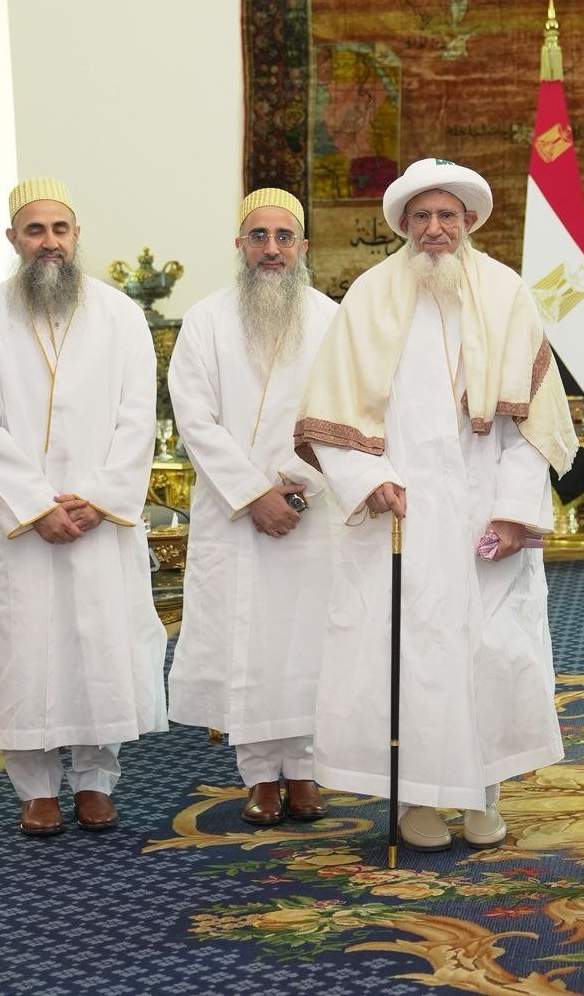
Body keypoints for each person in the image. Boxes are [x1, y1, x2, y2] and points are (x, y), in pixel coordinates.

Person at [293, 158, 577, 852]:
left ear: (469, 221)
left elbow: (534, 425)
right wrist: (368, 478)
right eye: (421, 216)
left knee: (492, 652)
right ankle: (417, 797)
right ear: (403, 225)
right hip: (404, 514)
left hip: (485, 513)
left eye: (447, 215)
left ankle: (486, 792)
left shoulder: (507, 292)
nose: (435, 229)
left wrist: (514, 511)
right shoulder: (369, 296)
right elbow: (331, 414)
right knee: (410, 656)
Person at [0, 178, 167, 836]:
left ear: (77, 236)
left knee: (99, 648)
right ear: (13, 238)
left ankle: (96, 780)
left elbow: (138, 417)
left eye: (60, 229)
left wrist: (98, 498)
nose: (50, 242)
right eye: (35, 230)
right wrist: (36, 506)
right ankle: (36, 789)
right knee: (26, 654)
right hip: (24, 526)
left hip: (100, 521)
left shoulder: (120, 315)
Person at [166, 188, 339, 826]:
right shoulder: (205, 320)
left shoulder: (333, 320)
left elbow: (346, 414)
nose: (272, 249)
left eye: (284, 237)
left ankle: (305, 768)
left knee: (306, 643)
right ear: (239, 245)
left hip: (310, 510)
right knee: (248, 646)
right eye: (259, 237)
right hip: (234, 512)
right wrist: (253, 494)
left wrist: (294, 487)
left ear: (303, 246)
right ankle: (259, 776)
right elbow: (195, 419)